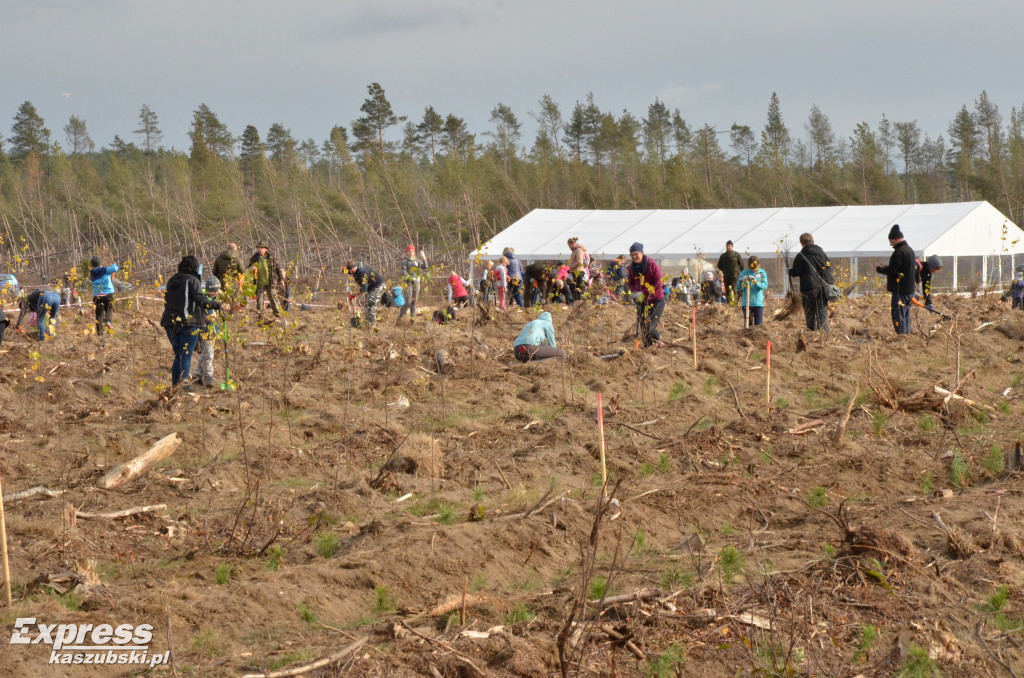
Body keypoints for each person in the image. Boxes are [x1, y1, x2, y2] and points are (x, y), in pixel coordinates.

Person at [160, 256, 229, 388]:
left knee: (178, 355)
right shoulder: (193, 280)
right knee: (185, 355)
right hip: (188, 323)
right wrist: (218, 305)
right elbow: (201, 300)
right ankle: (184, 384)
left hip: (169, 323)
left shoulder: (171, 281)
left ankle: (175, 385)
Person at [788, 232, 834, 332]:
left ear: (801, 243)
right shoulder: (821, 253)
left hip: (808, 289)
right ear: (812, 241)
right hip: (822, 289)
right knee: (822, 314)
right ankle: (824, 336)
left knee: (810, 314)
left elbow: (796, 272)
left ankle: (811, 336)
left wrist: (789, 271)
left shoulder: (801, 255)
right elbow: (828, 268)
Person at [875, 225, 916, 335]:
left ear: (896, 239)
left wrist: (879, 269)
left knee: (898, 316)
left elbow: (893, 271)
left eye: (891, 241)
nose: (890, 244)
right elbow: (901, 269)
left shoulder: (899, 252)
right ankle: (908, 338)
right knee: (906, 317)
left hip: (900, 291)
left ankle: (902, 338)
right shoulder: (910, 251)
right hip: (909, 291)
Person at [627, 242, 665, 348]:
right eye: (632, 255)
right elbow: (631, 283)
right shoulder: (631, 268)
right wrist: (634, 292)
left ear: (642, 253)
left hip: (656, 299)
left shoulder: (652, 264)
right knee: (643, 326)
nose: (634, 257)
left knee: (650, 326)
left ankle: (660, 341)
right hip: (642, 301)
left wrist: (642, 292)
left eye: (636, 254)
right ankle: (648, 348)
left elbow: (658, 283)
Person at [195, 277, 222, 388]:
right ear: (207, 289)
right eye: (213, 291)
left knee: (204, 354)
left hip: (213, 330)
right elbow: (199, 316)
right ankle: (209, 377)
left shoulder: (216, 300)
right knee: (209, 355)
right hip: (205, 331)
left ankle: (197, 375)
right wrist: (206, 318)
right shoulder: (202, 300)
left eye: (216, 291)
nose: (215, 293)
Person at [248, 242, 284, 317]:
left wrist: (281, 279)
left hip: (270, 282)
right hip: (259, 283)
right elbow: (248, 269)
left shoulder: (271, 258)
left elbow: (278, 268)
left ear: (266, 249)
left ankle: (277, 315)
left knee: (273, 299)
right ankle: (260, 317)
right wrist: (251, 269)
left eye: (262, 248)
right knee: (259, 301)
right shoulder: (254, 258)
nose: (260, 249)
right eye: (259, 247)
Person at [346, 260, 386, 326]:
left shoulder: (363, 273)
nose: (350, 272)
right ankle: (368, 322)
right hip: (371, 287)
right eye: (349, 270)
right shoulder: (356, 265)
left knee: (371, 304)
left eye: (352, 270)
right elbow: (348, 269)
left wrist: (354, 295)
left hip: (378, 286)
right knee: (367, 305)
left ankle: (371, 326)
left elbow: (364, 289)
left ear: (355, 267)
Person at [89, 256, 119, 335]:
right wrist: (114, 264)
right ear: (100, 263)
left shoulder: (91, 272)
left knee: (99, 315)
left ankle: (100, 335)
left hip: (97, 296)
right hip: (108, 293)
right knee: (109, 309)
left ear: (92, 265)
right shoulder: (105, 269)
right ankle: (108, 322)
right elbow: (115, 269)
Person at [736, 256, 769, 326]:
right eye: (752, 268)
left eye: (755, 268)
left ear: (758, 265)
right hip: (747, 303)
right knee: (748, 325)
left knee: (758, 326)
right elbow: (738, 288)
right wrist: (741, 280)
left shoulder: (762, 273)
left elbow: (765, 286)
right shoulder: (744, 273)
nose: (753, 270)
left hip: (758, 303)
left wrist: (757, 283)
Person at [398, 245, 426, 323]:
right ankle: (400, 317)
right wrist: (411, 278)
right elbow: (404, 272)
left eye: (412, 251)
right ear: (406, 253)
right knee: (408, 302)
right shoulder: (404, 262)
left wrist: (423, 257)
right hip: (408, 283)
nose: (411, 253)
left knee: (414, 302)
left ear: (414, 252)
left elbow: (425, 266)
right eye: (409, 251)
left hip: (417, 284)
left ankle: (412, 321)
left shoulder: (417, 261)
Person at [717, 240, 743, 304]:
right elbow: (719, 265)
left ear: (732, 247)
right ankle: (729, 303)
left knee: (735, 290)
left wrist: (742, 274)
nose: (728, 247)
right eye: (727, 246)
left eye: (729, 246)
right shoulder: (723, 256)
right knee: (728, 290)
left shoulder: (736, 255)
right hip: (726, 276)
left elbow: (742, 265)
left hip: (735, 277)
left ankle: (735, 303)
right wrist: (724, 270)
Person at [566, 237, 590, 303]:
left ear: (573, 243)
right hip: (575, 271)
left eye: (570, 246)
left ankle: (579, 302)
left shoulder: (578, 250)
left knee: (579, 288)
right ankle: (576, 302)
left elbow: (579, 262)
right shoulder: (575, 251)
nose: (569, 248)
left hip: (579, 271)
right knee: (574, 288)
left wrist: (571, 266)